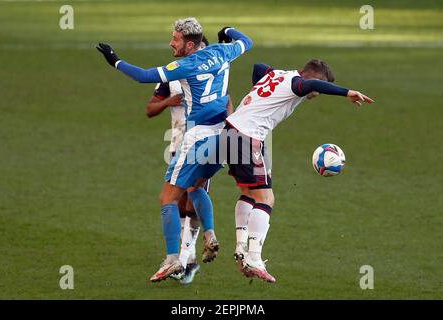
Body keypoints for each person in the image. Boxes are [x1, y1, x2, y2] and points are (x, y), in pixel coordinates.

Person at [97, 18, 252, 282]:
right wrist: (227, 31)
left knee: (167, 198)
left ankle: (173, 260)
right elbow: (247, 41)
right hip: (224, 137)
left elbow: (143, 76)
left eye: (175, 40)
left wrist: (115, 60)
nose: (171, 43)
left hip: (198, 137)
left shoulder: (185, 65)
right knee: (197, 188)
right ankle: (210, 234)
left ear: (189, 45)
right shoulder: (223, 51)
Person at [222, 59, 374, 282]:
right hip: (248, 136)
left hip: (231, 130)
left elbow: (258, 66)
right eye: (318, 88)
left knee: (248, 192)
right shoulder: (297, 83)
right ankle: (253, 257)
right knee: (266, 198)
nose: (317, 94)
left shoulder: (278, 74)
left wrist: (260, 94)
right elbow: (312, 85)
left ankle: (241, 247)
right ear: (314, 79)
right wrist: (347, 92)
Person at [145, 36, 233, 285]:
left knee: (187, 201)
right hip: (178, 144)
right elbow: (149, 109)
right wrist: (167, 102)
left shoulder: (215, 77)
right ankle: (190, 254)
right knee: (183, 200)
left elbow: (228, 105)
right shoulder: (173, 75)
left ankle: (184, 259)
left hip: (202, 142)